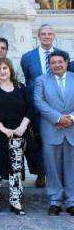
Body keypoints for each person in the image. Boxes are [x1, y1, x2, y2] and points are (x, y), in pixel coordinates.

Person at [0, 58, 32, 215]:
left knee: (16, 169)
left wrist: (22, 127)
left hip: (18, 134)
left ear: (10, 69)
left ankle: (16, 201)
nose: (2, 71)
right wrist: (3, 129)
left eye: (5, 68)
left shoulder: (20, 87)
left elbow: (30, 109)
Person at [21, 24, 67, 188]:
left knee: (59, 141)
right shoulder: (28, 57)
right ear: (38, 37)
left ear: (53, 36)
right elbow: (29, 80)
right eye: (43, 34)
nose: (46, 36)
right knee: (38, 141)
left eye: (49, 34)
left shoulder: (62, 55)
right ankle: (41, 173)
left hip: (59, 109)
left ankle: (60, 174)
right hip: (37, 107)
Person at [34, 51, 74, 216]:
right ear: (49, 65)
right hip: (51, 129)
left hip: (72, 128)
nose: (57, 65)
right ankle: (55, 201)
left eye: (60, 62)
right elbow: (39, 101)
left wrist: (71, 118)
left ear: (66, 63)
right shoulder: (41, 80)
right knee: (52, 168)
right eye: (53, 62)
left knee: (72, 167)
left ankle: (71, 201)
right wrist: (58, 118)